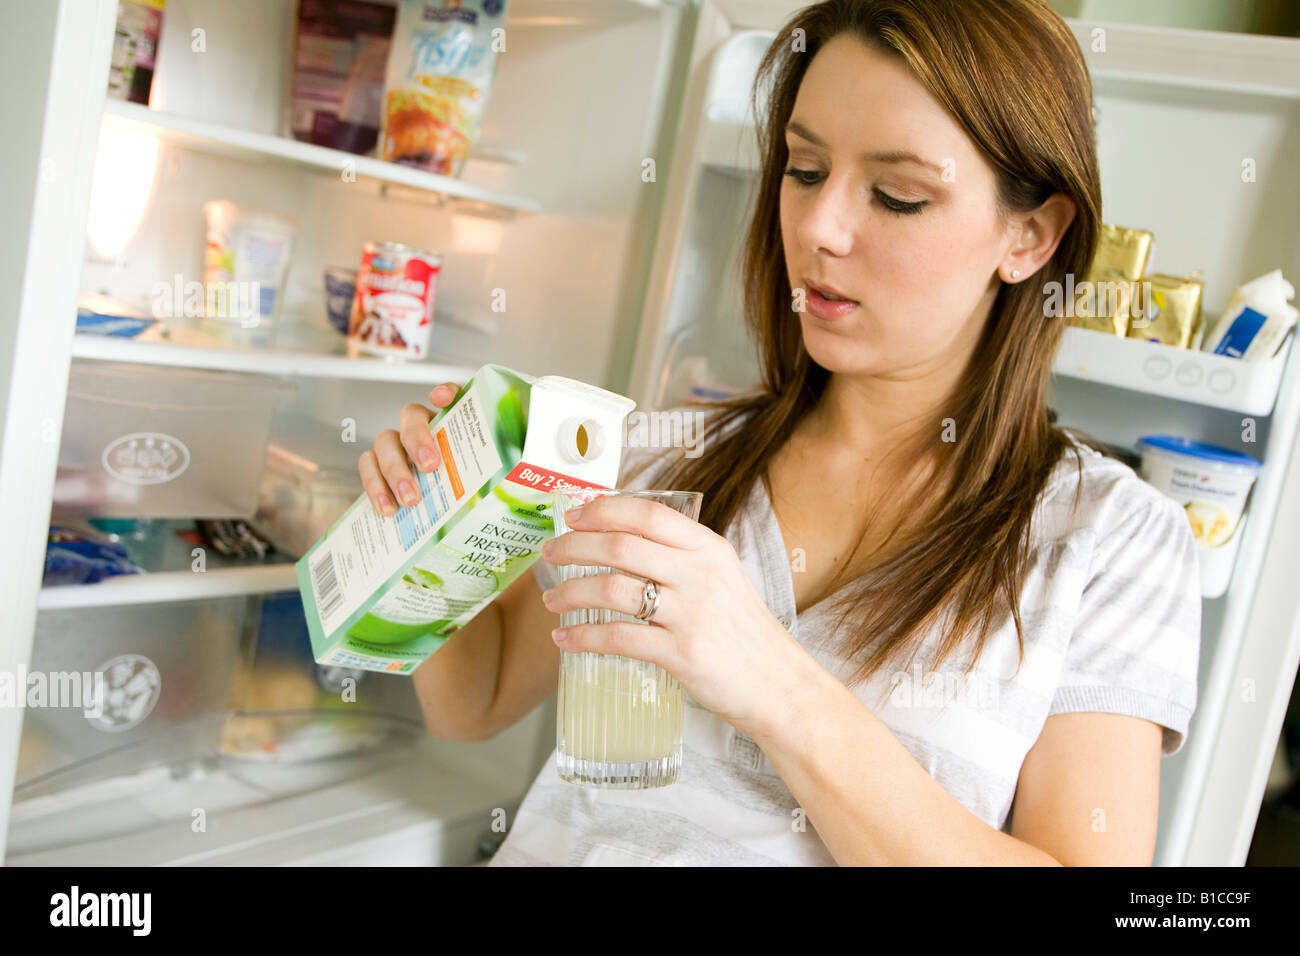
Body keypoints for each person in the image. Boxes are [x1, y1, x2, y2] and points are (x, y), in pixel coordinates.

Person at [357, 0, 1199, 865]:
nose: (820, 228)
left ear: (1029, 236)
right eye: (804, 170)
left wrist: (771, 682)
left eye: (897, 195)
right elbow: (478, 700)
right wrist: (428, 531)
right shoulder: (661, 454)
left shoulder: (1113, 541)